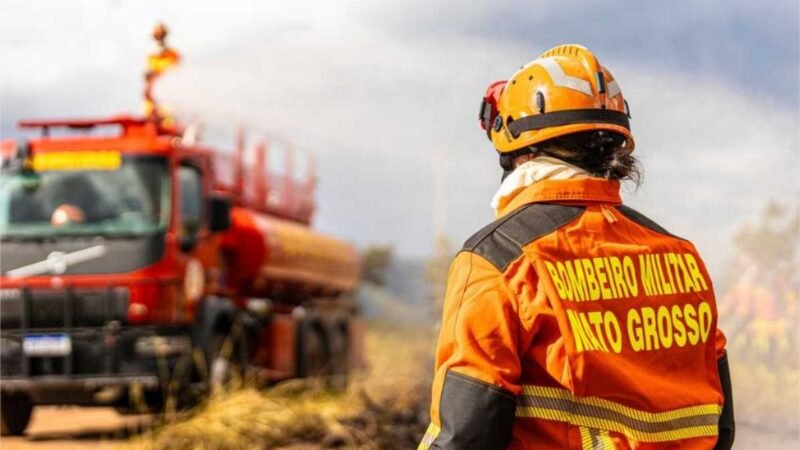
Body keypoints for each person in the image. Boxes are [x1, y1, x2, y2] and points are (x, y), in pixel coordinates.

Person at [419, 44, 734, 450]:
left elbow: (466, 436)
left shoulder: (498, 260)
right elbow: (720, 424)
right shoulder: (682, 257)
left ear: (518, 150)